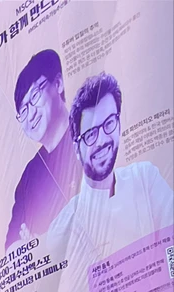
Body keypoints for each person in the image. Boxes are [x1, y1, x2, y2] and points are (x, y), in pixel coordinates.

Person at [50, 72, 174, 271]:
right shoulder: (63, 228)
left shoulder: (145, 178)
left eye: (109, 124)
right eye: (90, 133)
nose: (102, 141)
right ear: (76, 148)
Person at [4, 49, 82, 250]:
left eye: (35, 96)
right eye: (23, 110)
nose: (30, 115)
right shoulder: (29, 177)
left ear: (58, 84)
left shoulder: (90, 132)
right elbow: (12, 251)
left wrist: (41, 243)